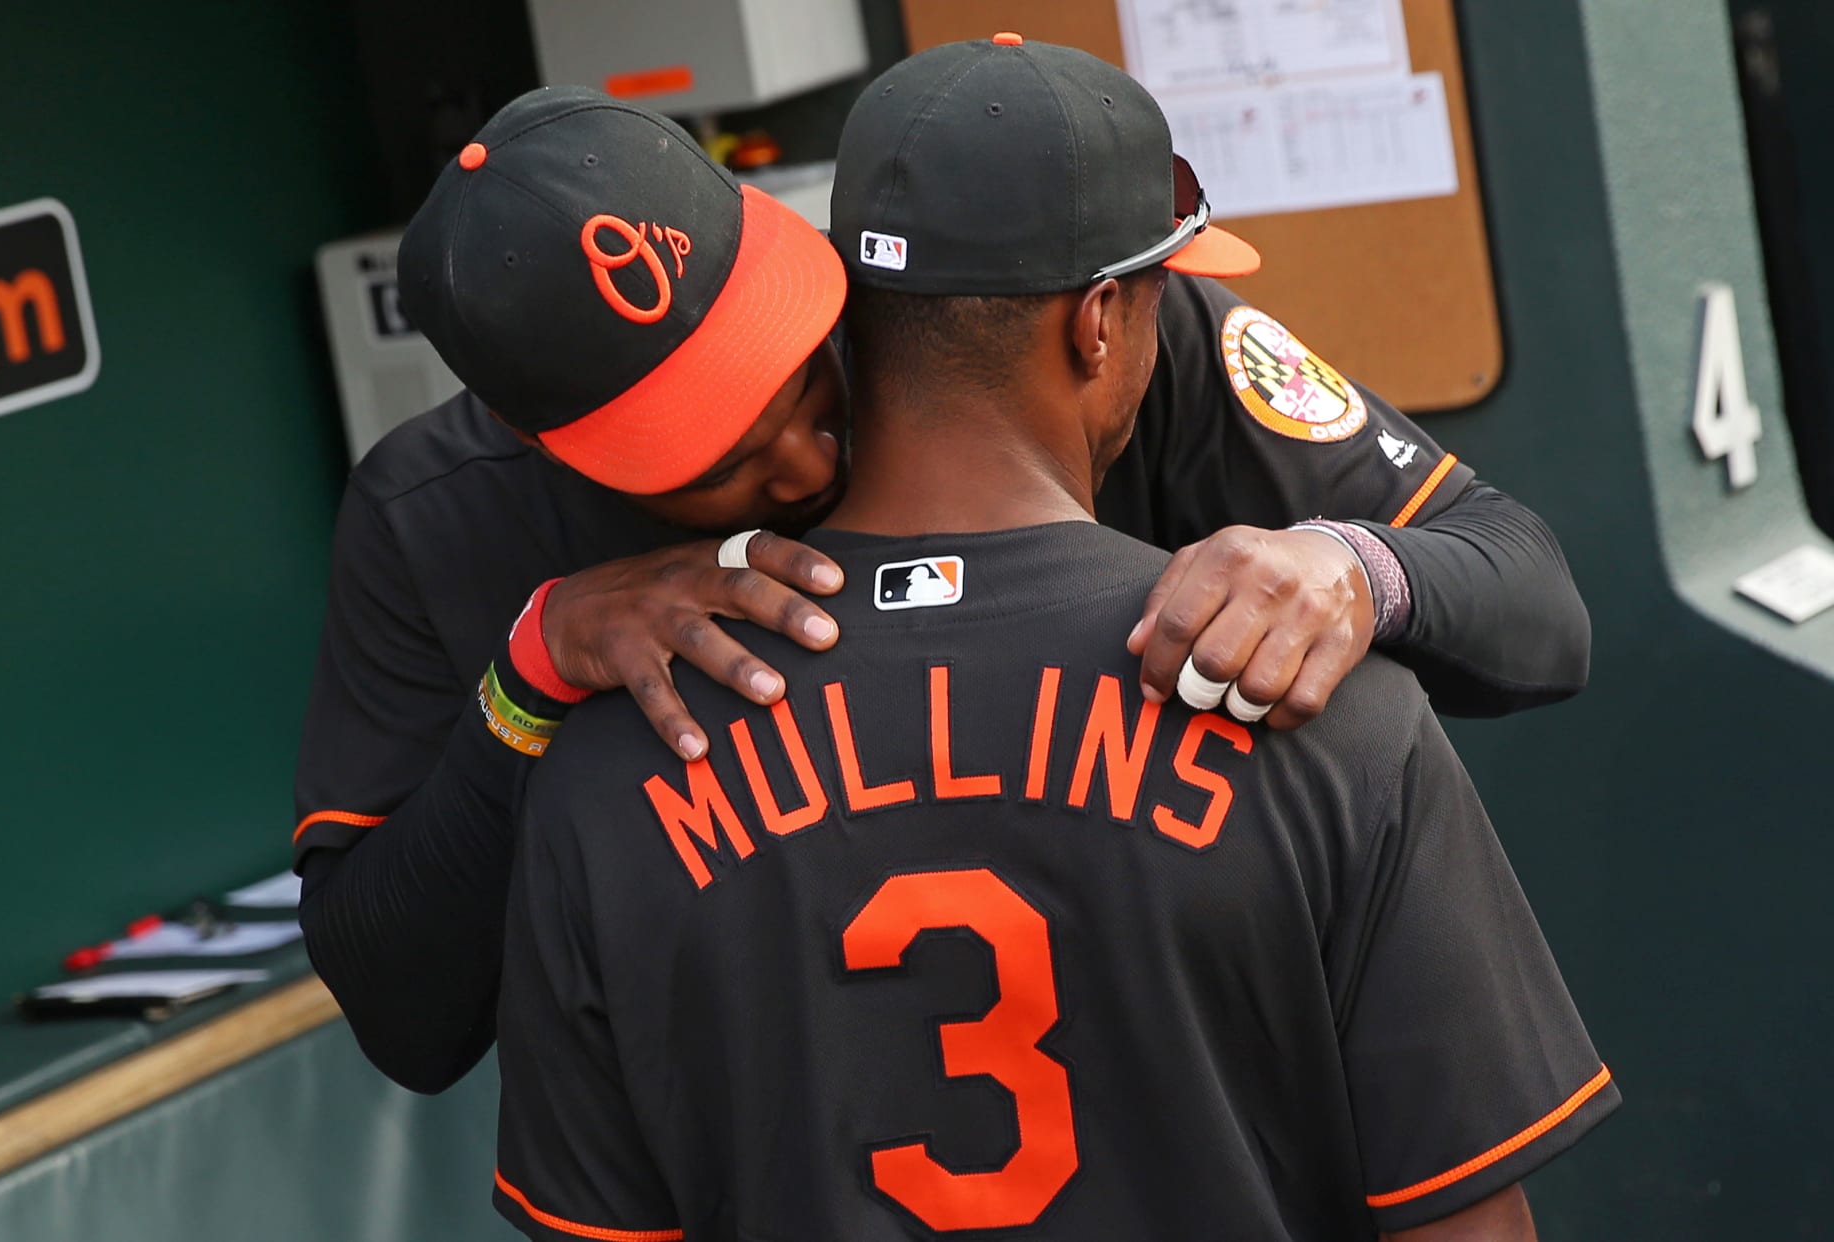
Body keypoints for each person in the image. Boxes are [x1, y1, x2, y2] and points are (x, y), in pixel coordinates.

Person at [489, 38, 1616, 1242]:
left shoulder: (606, 780)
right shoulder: (1334, 720)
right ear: (1097, 323)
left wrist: (1360, 563)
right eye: (1157, 287)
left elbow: (1526, 591)